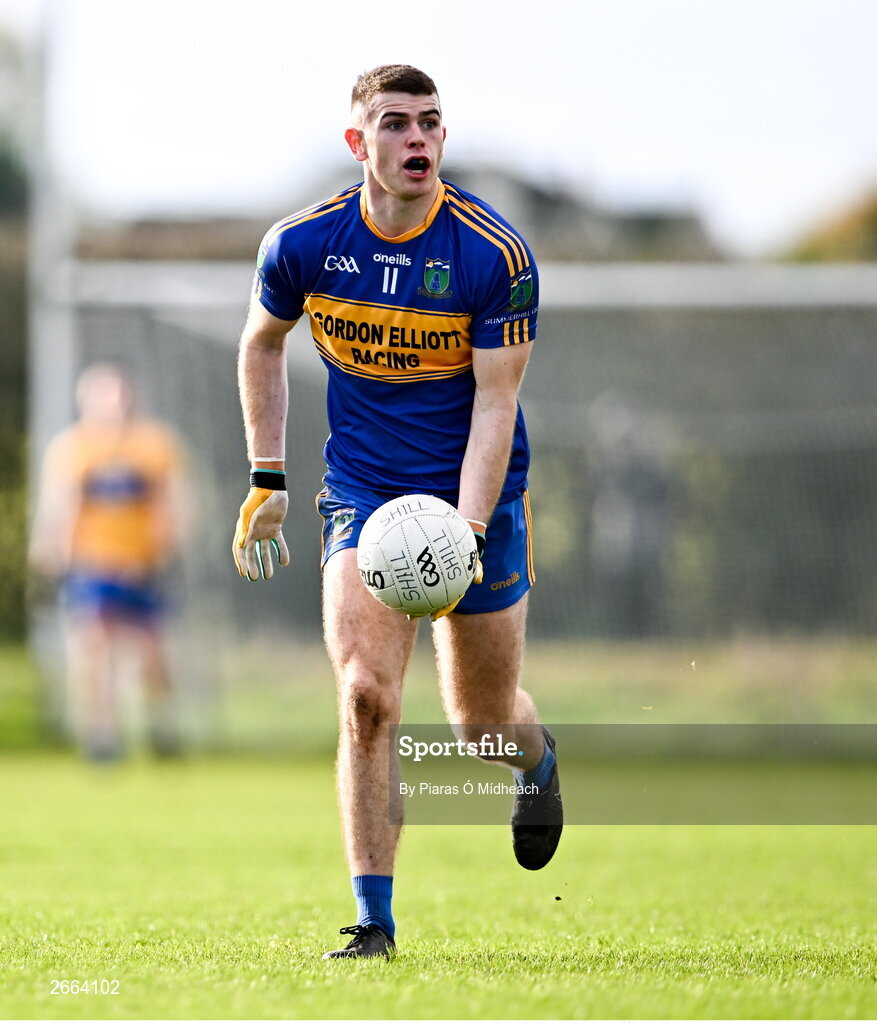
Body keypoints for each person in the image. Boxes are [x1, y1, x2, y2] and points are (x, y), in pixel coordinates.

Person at [233, 64, 561, 959]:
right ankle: (372, 921)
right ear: (358, 142)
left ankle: (535, 760)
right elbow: (261, 343)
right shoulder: (303, 243)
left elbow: (495, 403)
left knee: (478, 728)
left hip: (477, 499)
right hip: (364, 496)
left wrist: (467, 525)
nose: (417, 138)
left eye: (429, 122)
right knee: (365, 695)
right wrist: (267, 477)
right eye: (395, 123)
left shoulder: (494, 254)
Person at [30, 364, 187, 760]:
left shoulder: (155, 446)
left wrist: (158, 554)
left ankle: (161, 728)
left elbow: (173, 507)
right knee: (94, 648)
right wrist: (52, 556)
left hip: (141, 567)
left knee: (152, 654)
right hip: (91, 565)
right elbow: (58, 508)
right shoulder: (73, 448)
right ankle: (102, 735)